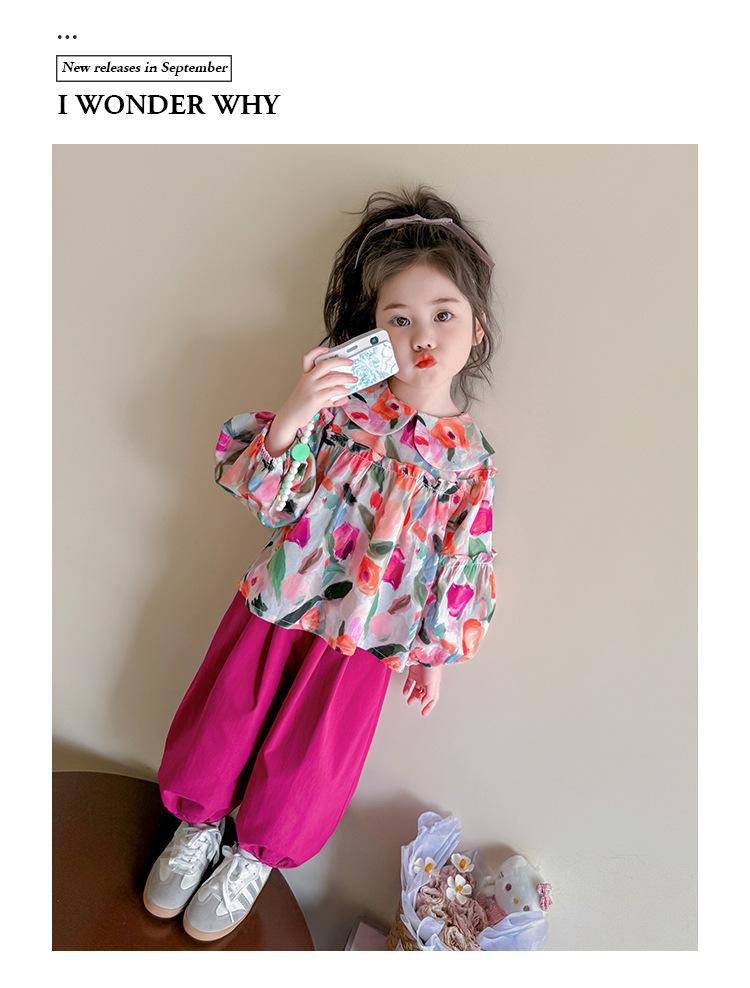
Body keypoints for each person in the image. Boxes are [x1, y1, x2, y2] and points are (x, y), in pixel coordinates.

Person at [143, 184, 501, 942]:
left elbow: (461, 561)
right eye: (398, 319)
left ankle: (252, 856)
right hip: (285, 596)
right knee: (227, 716)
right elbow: (270, 497)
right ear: (372, 330)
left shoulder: (469, 462)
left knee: (311, 761)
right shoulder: (342, 408)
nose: (422, 336)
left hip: (368, 636)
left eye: (443, 314)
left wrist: (432, 657)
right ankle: (197, 826)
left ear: (476, 329)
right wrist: (300, 405)